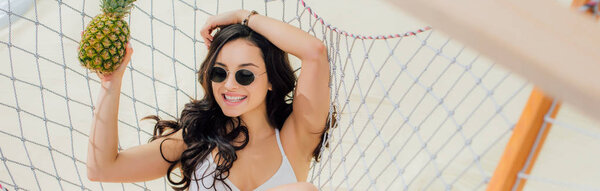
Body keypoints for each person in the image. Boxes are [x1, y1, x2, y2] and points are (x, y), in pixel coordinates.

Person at [87, 9, 333, 191]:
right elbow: (102, 169)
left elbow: (314, 52)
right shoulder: (197, 140)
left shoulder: (295, 138)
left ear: (271, 80)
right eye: (219, 72)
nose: (228, 85)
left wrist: (243, 17)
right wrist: (111, 83)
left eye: (244, 75)